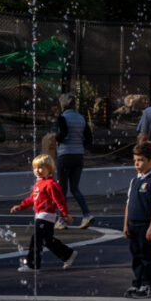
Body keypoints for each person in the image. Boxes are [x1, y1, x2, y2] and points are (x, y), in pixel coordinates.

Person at [11, 155, 77, 271]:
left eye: (41, 167)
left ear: (49, 169)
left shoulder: (51, 184)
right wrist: (21, 206)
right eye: (35, 168)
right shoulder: (38, 184)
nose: (37, 170)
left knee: (36, 239)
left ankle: (32, 264)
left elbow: (59, 200)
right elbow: (32, 199)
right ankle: (67, 254)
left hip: (46, 215)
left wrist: (65, 214)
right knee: (47, 240)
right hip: (42, 215)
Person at [124, 141, 151, 298]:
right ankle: (138, 282)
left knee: (147, 256)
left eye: (141, 160)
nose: (137, 164)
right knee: (136, 255)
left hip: (146, 225)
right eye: (135, 160)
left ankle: (150, 285)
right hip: (133, 224)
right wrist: (125, 225)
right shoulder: (135, 181)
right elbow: (128, 204)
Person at [54, 94, 94, 228]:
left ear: (63, 105)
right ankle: (87, 214)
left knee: (62, 189)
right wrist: (79, 143)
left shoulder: (62, 118)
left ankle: (62, 219)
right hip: (79, 155)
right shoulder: (82, 118)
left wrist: (57, 139)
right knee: (75, 188)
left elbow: (63, 133)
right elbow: (89, 138)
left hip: (65, 154)